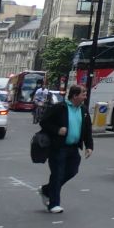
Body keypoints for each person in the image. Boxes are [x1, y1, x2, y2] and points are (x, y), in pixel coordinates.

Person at [39, 84, 93, 214]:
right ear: (75, 96)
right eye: (83, 94)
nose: (85, 97)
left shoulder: (84, 110)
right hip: (58, 147)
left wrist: (89, 146)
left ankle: (47, 190)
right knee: (57, 174)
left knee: (72, 171)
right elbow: (44, 122)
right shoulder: (60, 108)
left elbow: (87, 129)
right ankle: (54, 204)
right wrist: (57, 130)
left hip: (73, 148)